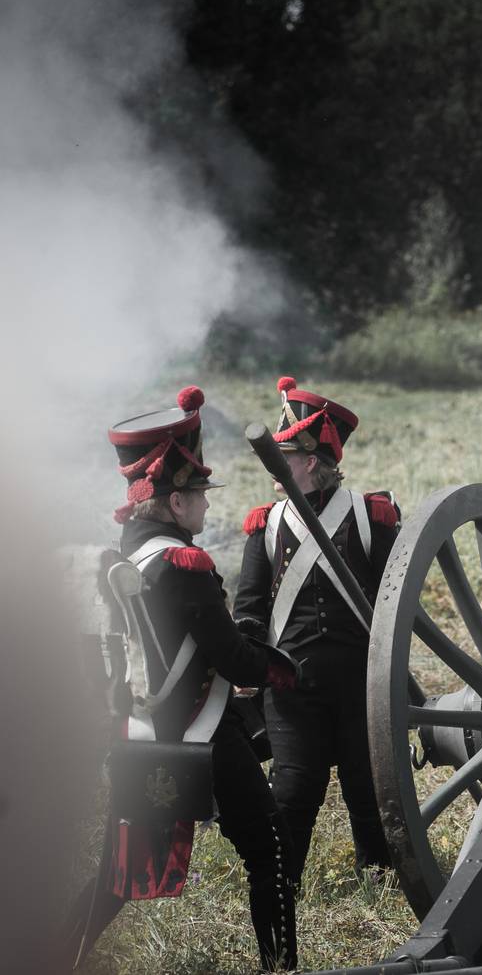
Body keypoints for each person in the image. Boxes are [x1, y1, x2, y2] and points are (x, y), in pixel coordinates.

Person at [105, 385, 300, 971]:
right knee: (270, 851)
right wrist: (281, 669)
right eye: (198, 496)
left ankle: (55, 952)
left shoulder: (127, 557)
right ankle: (280, 968)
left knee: (114, 879)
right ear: (174, 501)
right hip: (203, 733)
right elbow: (233, 658)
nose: (207, 508)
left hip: (143, 731)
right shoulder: (185, 564)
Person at [234, 376, 399, 889]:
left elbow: (396, 599)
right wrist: (248, 662)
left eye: (283, 456)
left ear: (309, 462)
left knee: (367, 788)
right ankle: (282, 885)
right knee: (292, 790)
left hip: (360, 684)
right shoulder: (266, 525)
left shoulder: (369, 517)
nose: (274, 469)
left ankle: (379, 881)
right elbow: (249, 607)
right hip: (292, 687)